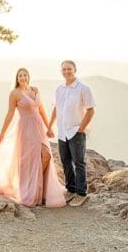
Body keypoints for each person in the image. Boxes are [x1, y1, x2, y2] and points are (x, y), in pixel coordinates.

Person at [0, 68, 65, 207]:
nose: (22, 77)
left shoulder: (35, 90)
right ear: (17, 78)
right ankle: (30, 190)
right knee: (32, 159)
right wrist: (2, 133)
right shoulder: (14, 93)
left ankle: (39, 188)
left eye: (25, 75)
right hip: (25, 129)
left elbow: (42, 110)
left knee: (46, 155)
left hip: (38, 127)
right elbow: (10, 114)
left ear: (28, 77)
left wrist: (49, 127)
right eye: (20, 76)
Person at [48, 60, 96, 207]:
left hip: (75, 131)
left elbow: (90, 110)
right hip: (62, 132)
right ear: (61, 71)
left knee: (79, 163)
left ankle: (81, 193)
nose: (66, 71)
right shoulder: (59, 89)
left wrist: (81, 128)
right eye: (64, 69)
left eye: (69, 69)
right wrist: (50, 126)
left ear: (75, 70)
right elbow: (56, 109)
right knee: (66, 162)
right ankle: (71, 189)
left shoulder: (83, 88)